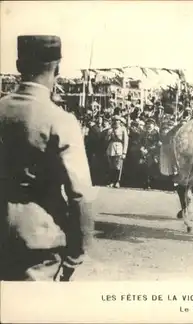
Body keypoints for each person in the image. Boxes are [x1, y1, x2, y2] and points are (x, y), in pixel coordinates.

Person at [0, 35, 95, 281]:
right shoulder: (61, 120)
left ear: (19, 66)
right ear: (58, 68)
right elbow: (80, 193)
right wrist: (77, 252)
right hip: (39, 240)